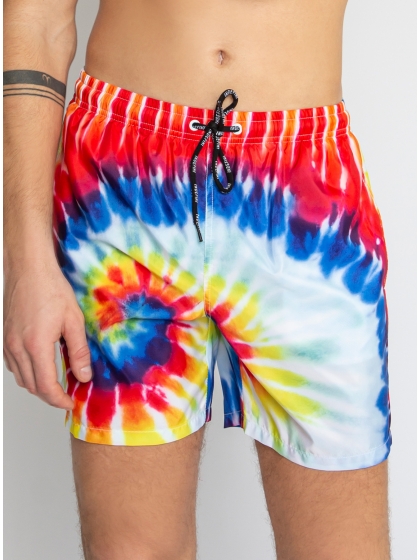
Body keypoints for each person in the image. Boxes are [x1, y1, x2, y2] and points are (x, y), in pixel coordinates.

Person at [3, 0, 392, 558]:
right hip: (121, 189)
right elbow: (37, 19)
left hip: (306, 205)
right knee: (131, 551)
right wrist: (25, 260)